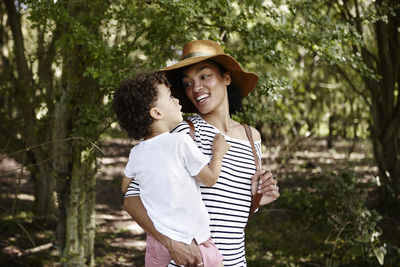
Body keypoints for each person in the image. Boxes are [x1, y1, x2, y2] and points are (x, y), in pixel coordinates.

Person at [124, 40, 280, 266]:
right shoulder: (184, 133)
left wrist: (256, 199)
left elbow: (228, 214)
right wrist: (171, 244)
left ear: (226, 78)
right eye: (188, 83)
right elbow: (131, 196)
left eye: (205, 76)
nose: (195, 88)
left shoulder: (251, 137)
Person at [113, 72, 229, 267]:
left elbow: (125, 187)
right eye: (170, 96)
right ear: (157, 113)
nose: (177, 100)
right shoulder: (180, 142)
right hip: (192, 239)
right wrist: (218, 153)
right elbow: (209, 179)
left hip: (156, 244)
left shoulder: (136, 153)